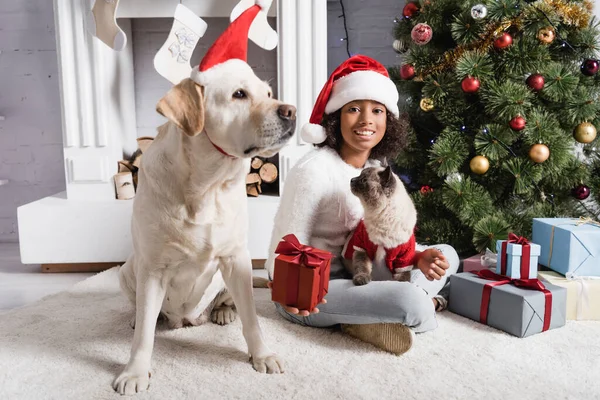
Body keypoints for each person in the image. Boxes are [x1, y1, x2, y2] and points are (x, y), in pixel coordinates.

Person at [265, 55, 460, 355]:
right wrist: (290, 292)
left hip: (362, 272)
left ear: (387, 121)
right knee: (412, 301)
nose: (367, 120)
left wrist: (417, 257)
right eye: (354, 109)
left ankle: (363, 320)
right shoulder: (313, 170)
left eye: (377, 111)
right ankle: (419, 305)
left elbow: (387, 237)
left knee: (448, 255)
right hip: (313, 288)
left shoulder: (374, 167)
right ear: (335, 118)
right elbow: (287, 242)